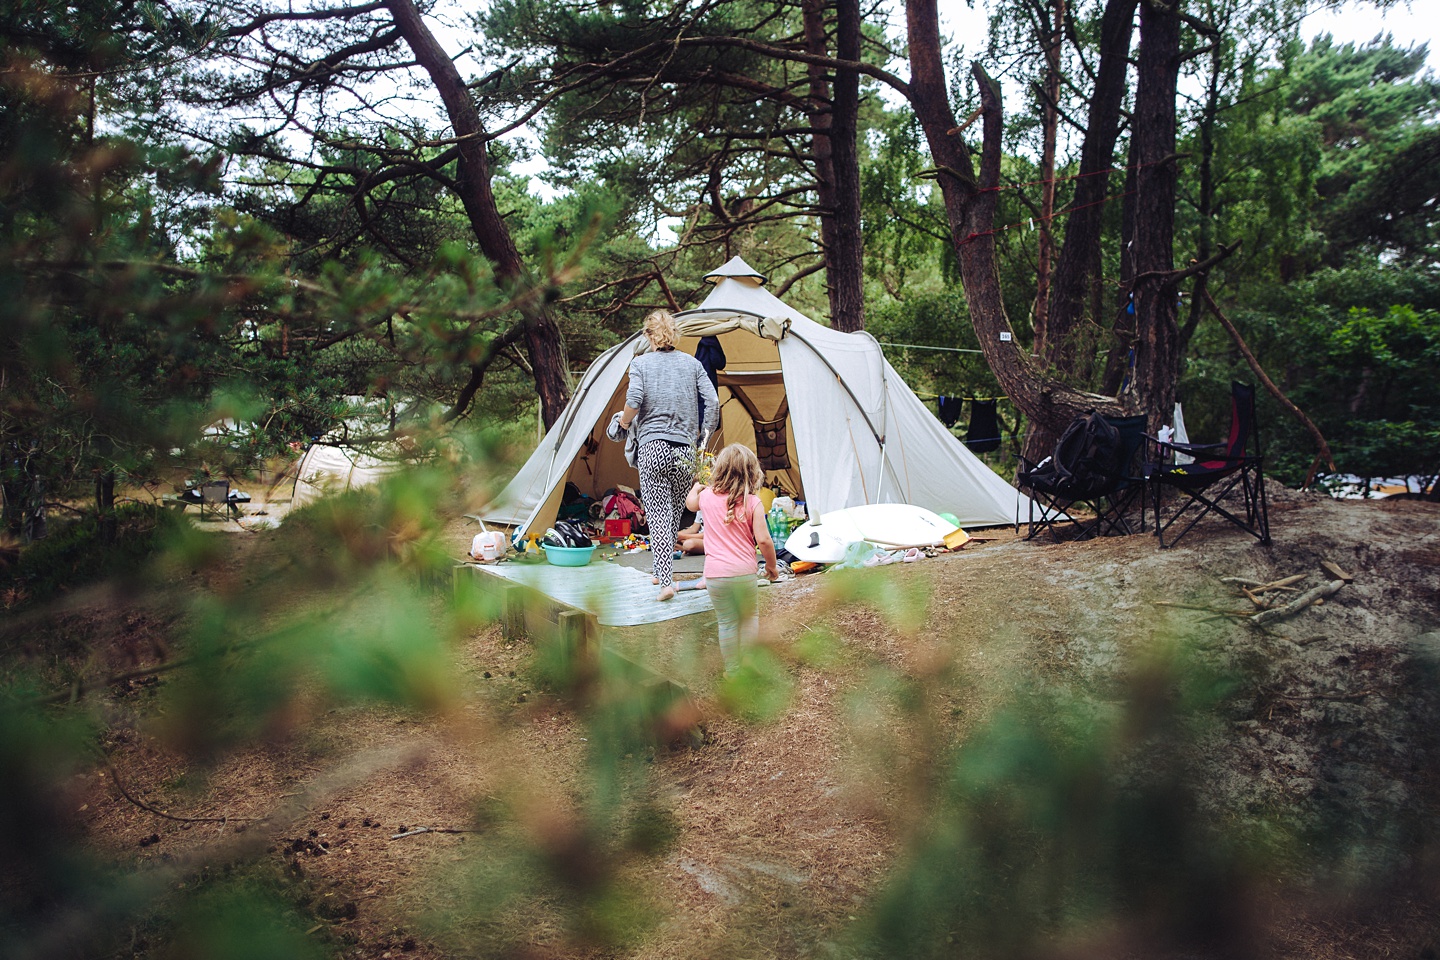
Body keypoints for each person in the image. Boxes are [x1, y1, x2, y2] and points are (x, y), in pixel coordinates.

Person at [615, 310, 719, 601]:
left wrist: (623, 424)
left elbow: (634, 401)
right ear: (675, 334)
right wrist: (703, 437)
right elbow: (712, 401)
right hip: (685, 450)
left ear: (649, 335)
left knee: (660, 515)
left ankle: (665, 581)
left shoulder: (641, 364)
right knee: (673, 513)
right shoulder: (693, 364)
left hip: (654, 447)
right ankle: (661, 570)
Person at [686, 444, 779, 675]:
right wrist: (771, 566)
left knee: (726, 623)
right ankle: (749, 661)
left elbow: (690, 504)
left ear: (719, 469)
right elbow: (765, 541)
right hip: (744, 573)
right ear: (752, 472)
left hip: (716, 575)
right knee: (749, 619)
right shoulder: (753, 502)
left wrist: (696, 487)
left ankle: (732, 670)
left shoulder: (706, 497)